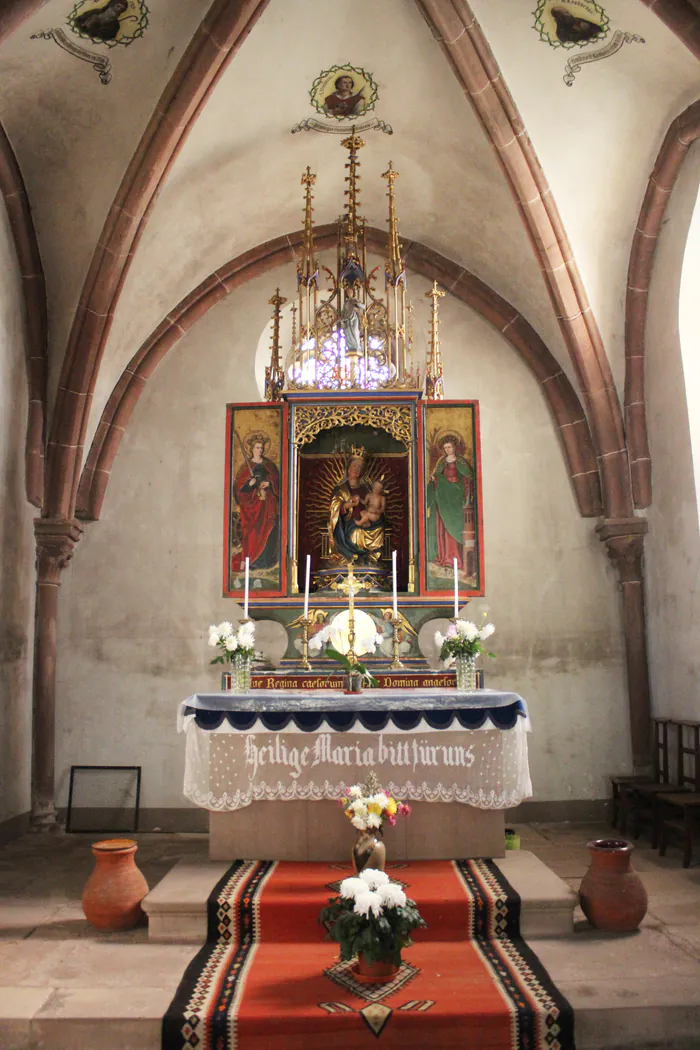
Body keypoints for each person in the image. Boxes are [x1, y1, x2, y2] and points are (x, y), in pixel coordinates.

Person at [231, 435, 279, 572]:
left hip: (268, 504)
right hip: (252, 507)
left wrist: (269, 483)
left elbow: (278, 482)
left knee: (269, 529)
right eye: (257, 448)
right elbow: (238, 490)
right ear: (252, 449)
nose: (260, 450)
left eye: (262, 448)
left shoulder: (269, 465)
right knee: (253, 533)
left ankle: (266, 561)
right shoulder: (246, 468)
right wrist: (249, 484)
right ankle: (252, 561)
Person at [327, 453, 385, 564]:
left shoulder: (366, 489)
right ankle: (353, 558)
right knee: (356, 533)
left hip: (367, 522)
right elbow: (334, 507)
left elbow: (373, 504)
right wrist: (346, 506)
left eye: (360, 467)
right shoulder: (341, 489)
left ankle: (370, 558)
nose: (357, 469)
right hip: (347, 525)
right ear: (348, 468)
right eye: (355, 466)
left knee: (379, 526)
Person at [427, 435, 474, 571]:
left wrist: (466, 496)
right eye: (445, 448)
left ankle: (456, 559)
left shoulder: (461, 462)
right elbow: (436, 477)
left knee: (455, 526)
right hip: (443, 499)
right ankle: (445, 557)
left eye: (450, 447)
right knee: (443, 527)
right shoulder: (442, 461)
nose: (447, 450)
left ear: (455, 447)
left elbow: (467, 479)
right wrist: (434, 479)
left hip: (455, 498)